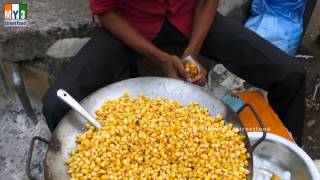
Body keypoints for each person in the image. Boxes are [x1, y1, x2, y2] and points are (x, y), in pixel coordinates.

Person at [42, 0, 306, 145]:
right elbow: (107, 12)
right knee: (55, 105)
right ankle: (100, 157)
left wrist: (192, 51)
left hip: (190, 17)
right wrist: (159, 57)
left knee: (291, 75)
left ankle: (282, 153)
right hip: (134, 25)